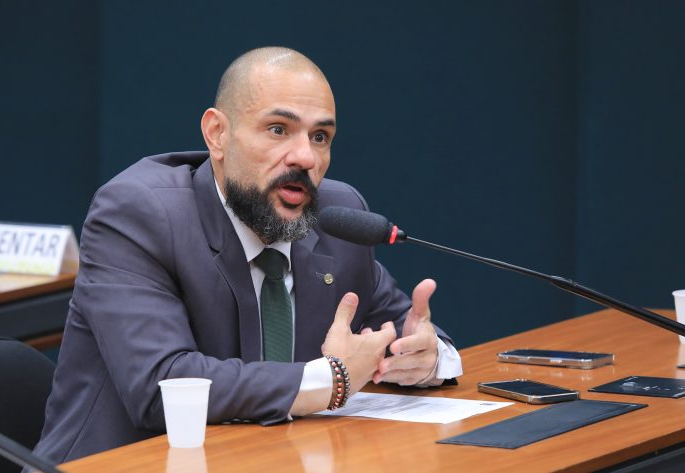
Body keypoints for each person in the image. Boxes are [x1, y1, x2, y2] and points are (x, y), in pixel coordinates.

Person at [32, 46, 462, 465]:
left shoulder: (336, 215)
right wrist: (331, 379)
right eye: (278, 129)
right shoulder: (139, 213)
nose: (305, 157)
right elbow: (162, 385)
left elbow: (399, 325)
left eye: (320, 137)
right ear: (217, 134)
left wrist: (425, 357)